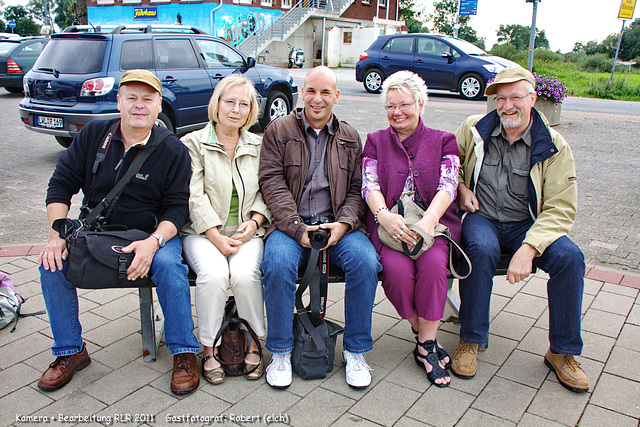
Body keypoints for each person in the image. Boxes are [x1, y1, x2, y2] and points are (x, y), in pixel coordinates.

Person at [37, 69, 200, 395]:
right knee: (50, 263)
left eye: (147, 99)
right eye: (132, 98)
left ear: (158, 106)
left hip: (154, 233)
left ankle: (183, 352)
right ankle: (70, 351)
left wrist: (153, 243)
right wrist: (57, 236)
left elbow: (177, 210)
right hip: (96, 231)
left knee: (170, 266)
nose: (139, 105)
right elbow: (60, 186)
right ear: (119, 101)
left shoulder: (173, 150)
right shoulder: (93, 135)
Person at [452, 66, 589, 392]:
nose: (507, 106)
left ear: (533, 98)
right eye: (501, 98)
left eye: (516, 97)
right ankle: (471, 339)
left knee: (571, 258)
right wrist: (459, 188)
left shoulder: (554, 145)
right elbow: (448, 165)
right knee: (480, 249)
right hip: (481, 216)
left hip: (530, 224)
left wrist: (529, 248)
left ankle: (562, 352)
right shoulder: (473, 130)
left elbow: (560, 208)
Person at [258, 66, 381, 390]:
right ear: (302, 93)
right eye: (312, 90)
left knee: (366, 263)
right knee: (277, 264)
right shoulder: (279, 130)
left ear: (337, 96)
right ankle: (282, 350)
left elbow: (357, 188)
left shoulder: (351, 137)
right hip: (290, 228)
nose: (318, 98)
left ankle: (355, 350)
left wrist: (343, 225)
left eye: (326, 92)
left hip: (337, 226)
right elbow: (271, 182)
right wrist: (297, 229)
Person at [362, 70, 460, 387]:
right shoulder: (375, 141)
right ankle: (423, 332)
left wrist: (428, 223)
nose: (397, 112)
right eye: (390, 106)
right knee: (395, 272)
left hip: (434, 225)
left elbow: (448, 187)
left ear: (420, 104)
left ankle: (425, 346)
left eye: (404, 104)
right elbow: (369, 184)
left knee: (433, 267)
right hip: (390, 227)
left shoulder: (444, 140)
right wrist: (382, 215)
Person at [181, 75, 271, 385]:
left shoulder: (260, 145)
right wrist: (215, 235)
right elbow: (193, 195)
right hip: (203, 232)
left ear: (251, 111)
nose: (235, 109)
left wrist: (256, 220)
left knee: (246, 276)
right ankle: (209, 349)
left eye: (243, 104)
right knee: (215, 275)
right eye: (229, 101)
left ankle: (254, 343)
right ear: (216, 103)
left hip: (247, 230)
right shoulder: (193, 143)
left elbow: (269, 189)